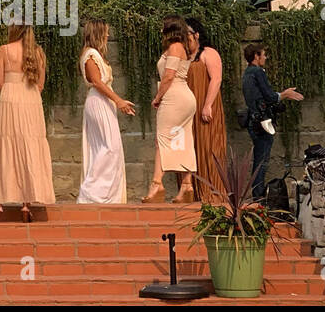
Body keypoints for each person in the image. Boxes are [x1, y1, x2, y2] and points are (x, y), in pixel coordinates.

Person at [0, 22, 55, 222]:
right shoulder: (38, 53)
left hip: (10, 99)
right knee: (30, 148)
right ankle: (26, 204)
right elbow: (41, 84)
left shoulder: (4, 50)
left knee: (6, 148)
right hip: (31, 100)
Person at [76, 18, 136, 203]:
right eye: (106, 32)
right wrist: (118, 101)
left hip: (104, 102)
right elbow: (96, 81)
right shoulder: (91, 54)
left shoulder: (96, 55)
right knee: (109, 147)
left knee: (110, 147)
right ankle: (92, 192)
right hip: (98, 102)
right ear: (98, 33)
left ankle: (107, 194)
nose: (108, 35)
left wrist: (116, 101)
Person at [145, 15, 197, 203]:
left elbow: (169, 76)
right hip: (183, 96)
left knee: (163, 139)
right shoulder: (183, 46)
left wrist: (157, 97)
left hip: (174, 96)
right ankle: (186, 185)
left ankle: (157, 183)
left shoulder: (175, 46)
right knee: (182, 140)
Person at [241, 44, 304, 199]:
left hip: (253, 121)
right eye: (263, 54)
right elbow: (269, 96)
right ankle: (258, 194)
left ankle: (257, 192)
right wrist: (285, 94)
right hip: (262, 121)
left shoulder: (247, 73)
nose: (265, 57)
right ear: (256, 56)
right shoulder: (257, 72)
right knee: (262, 158)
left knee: (259, 156)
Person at [185, 17, 228, 201]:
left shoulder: (208, 53)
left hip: (206, 107)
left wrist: (208, 105)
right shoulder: (185, 56)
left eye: (186, 33)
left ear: (196, 34)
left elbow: (216, 79)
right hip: (190, 112)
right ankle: (194, 191)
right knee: (193, 149)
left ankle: (214, 193)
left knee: (210, 148)